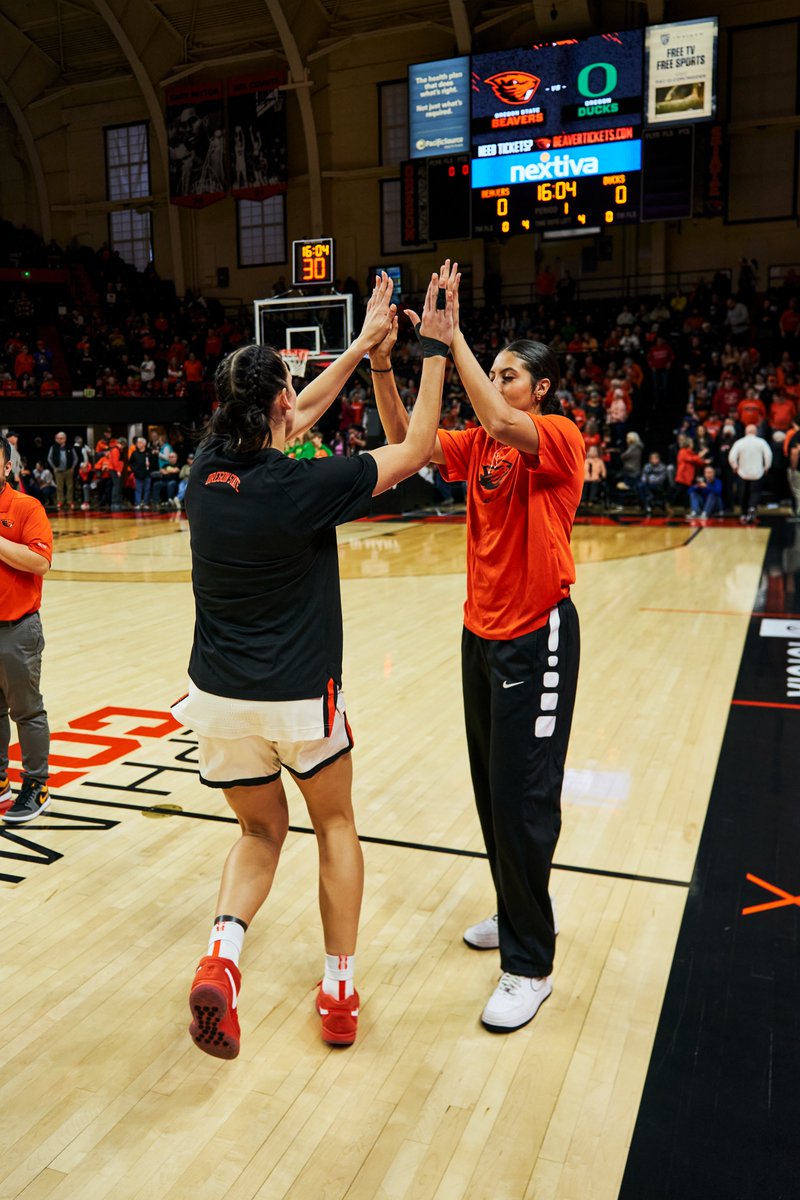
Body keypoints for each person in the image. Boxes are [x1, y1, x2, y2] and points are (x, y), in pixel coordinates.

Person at [173, 270, 454, 1058]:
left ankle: (222, 959)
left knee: (261, 833)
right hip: (299, 699)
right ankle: (338, 991)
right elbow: (418, 448)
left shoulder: (203, 471)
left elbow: (292, 416)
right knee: (333, 823)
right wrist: (426, 349)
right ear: (277, 406)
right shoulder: (303, 485)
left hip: (217, 702)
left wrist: (364, 345)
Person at [370, 261, 584, 1033]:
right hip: (480, 630)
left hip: (538, 633)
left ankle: (531, 964)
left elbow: (495, 420)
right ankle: (514, 905)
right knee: (494, 790)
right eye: (494, 372)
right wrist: (387, 362)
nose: (498, 382)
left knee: (524, 800)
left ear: (542, 390)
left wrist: (451, 337)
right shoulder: (485, 450)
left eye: (511, 374)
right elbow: (406, 442)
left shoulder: (555, 438)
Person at [0, 435, 52, 822]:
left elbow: (39, 562)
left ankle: (37, 785)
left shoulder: (25, 506)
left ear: (6, 467)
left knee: (27, 711)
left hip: (17, 630)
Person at [728, 423, 773, 524]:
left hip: (742, 473)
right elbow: (768, 455)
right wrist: (766, 467)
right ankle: (752, 508)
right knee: (755, 493)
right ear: (756, 432)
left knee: (743, 493)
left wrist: (735, 466)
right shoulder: (761, 442)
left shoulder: (739, 442)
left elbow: (731, 456)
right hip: (758, 472)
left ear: (745, 432)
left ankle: (743, 514)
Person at [47, 432, 78, 510]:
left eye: (61, 438)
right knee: (59, 487)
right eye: (58, 438)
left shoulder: (70, 447)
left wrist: (73, 467)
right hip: (58, 471)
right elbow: (49, 458)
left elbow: (76, 458)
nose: (59, 440)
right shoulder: (53, 447)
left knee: (70, 487)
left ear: (65, 439)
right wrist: (54, 467)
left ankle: (69, 501)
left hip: (68, 470)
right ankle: (60, 501)